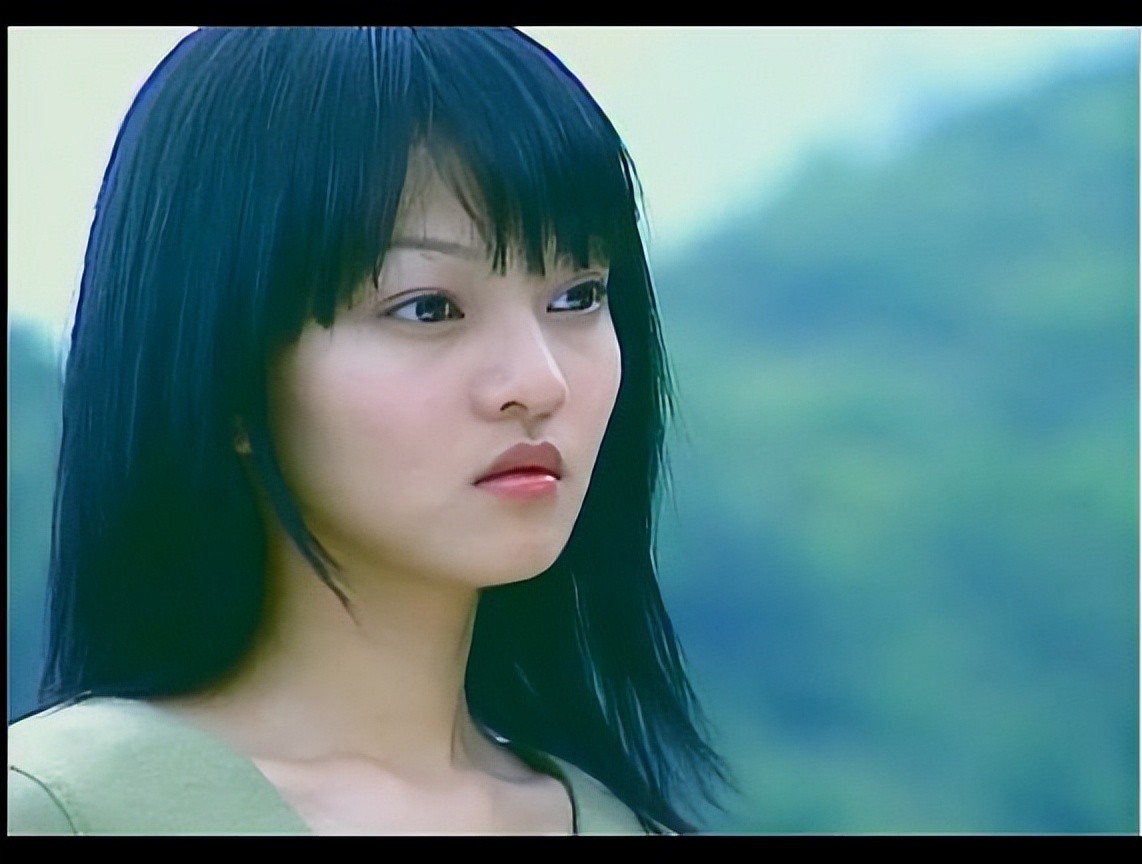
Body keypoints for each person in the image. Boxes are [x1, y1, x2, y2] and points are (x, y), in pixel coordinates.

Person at [8, 26, 731, 835]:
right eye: (429, 308)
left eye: (577, 296)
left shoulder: (611, 822)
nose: (539, 381)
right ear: (226, 369)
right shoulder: (68, 809)